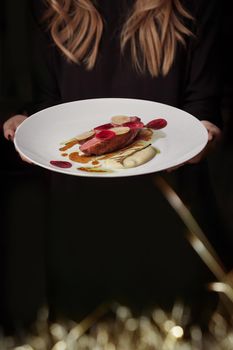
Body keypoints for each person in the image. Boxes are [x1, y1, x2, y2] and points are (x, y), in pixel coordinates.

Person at [2, 0, 228, 325]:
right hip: (78, 219)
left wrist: (204, 130)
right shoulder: (51, 6)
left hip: (171, 217)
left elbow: (203, 104)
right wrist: (25, 121)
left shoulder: (195, 6)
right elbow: (45, 101)